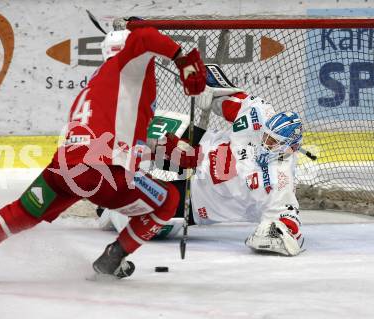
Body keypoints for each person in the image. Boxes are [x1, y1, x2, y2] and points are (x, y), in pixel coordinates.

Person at [0, 27, 206, 280]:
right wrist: (183, 58)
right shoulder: (127, 64)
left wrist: (166, 152)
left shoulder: (95, 87)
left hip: (65, 169)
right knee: (168, 199)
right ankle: (112, 259)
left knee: (21, 211)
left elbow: (118, 140)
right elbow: (145, 37)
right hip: (101, 172)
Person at [98, 79, 305, 256]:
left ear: (291, 148)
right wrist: (209, 91)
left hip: (199, 200)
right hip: (199, 147)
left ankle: (109, 205)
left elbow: (291, 226)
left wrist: (275, 232)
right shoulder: (260, 117)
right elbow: (228, 95)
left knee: (145, 221)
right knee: (146, 125)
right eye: (266, 136)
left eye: (273, 142)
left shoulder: (281, 180)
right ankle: (102, 148)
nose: (265, 143)